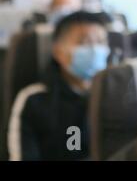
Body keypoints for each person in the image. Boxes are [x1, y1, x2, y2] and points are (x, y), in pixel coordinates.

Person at [7, 11, 110, 160]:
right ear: (58, 52)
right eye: (84, 42)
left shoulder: (116, 98)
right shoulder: (35, 100)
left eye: (101, 42)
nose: (95, 50)